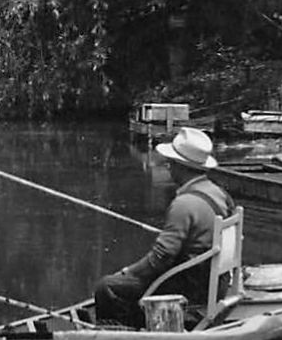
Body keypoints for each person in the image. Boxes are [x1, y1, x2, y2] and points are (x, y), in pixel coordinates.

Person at [93, 126, 236, 327]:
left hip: (192, 288)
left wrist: (128, 272)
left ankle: (123, 338)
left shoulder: (183, 204)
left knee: (107, 288)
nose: (168, 167)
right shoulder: (219, 193)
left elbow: (161, 257)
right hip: (215, 283)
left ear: (180, 166)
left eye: (171, 163)